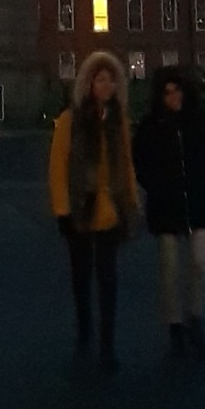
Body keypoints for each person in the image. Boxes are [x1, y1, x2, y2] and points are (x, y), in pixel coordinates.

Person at [48, 51, 140, 372]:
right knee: (82, 277)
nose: (107, 85)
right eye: (101, 79)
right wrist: (62, 209)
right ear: (89, 84)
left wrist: (132, 205)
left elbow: (126, 166)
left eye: (111, 79)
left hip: (110, 211)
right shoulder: (70, 121)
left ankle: (107, 344)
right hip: (80, 209)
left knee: (108, 279)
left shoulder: (119, 122)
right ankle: (85, 324)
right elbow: (58, 167)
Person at [132, 67, 205, 358]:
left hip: (197, 203)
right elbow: (140, 163)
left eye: (177, 90)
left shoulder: (199, 121)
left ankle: (194, 317)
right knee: (169, 270)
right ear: (160, 96)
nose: (173, 97)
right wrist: (158, 188)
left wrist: (202, 182)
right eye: (167, 92)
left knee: (200, 264)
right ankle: (174, 325)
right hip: (165, 205)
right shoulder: (150, 126)